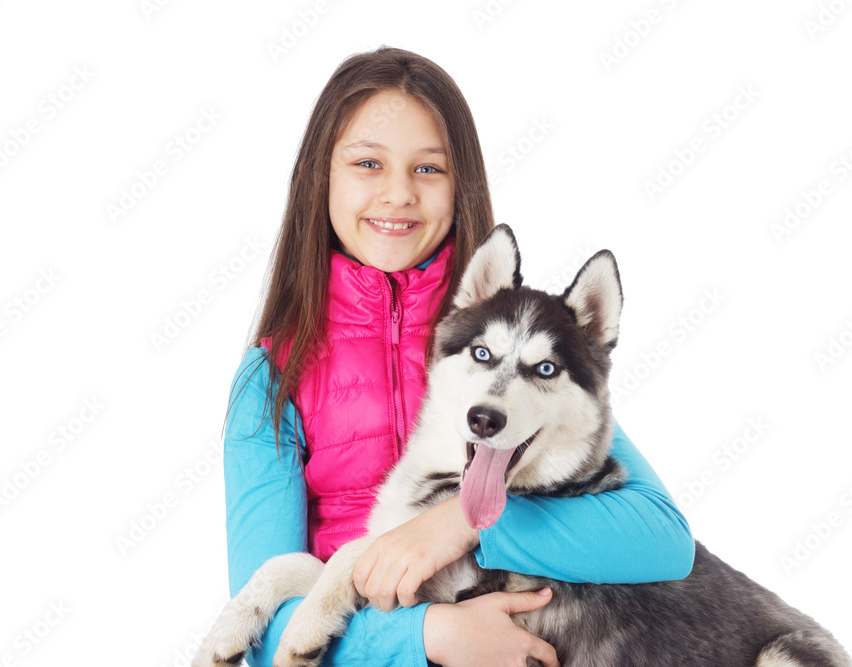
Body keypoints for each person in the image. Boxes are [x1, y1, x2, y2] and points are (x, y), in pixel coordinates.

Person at [222, 46, 695, 667]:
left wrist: (462, 522)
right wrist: (428, 637)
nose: (397, 194)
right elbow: (263, 641)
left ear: (460, 184)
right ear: (321, 177)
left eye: (428, 169)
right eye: (368, 163)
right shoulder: (272, 377)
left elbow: (658, 539)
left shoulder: (516, 354)